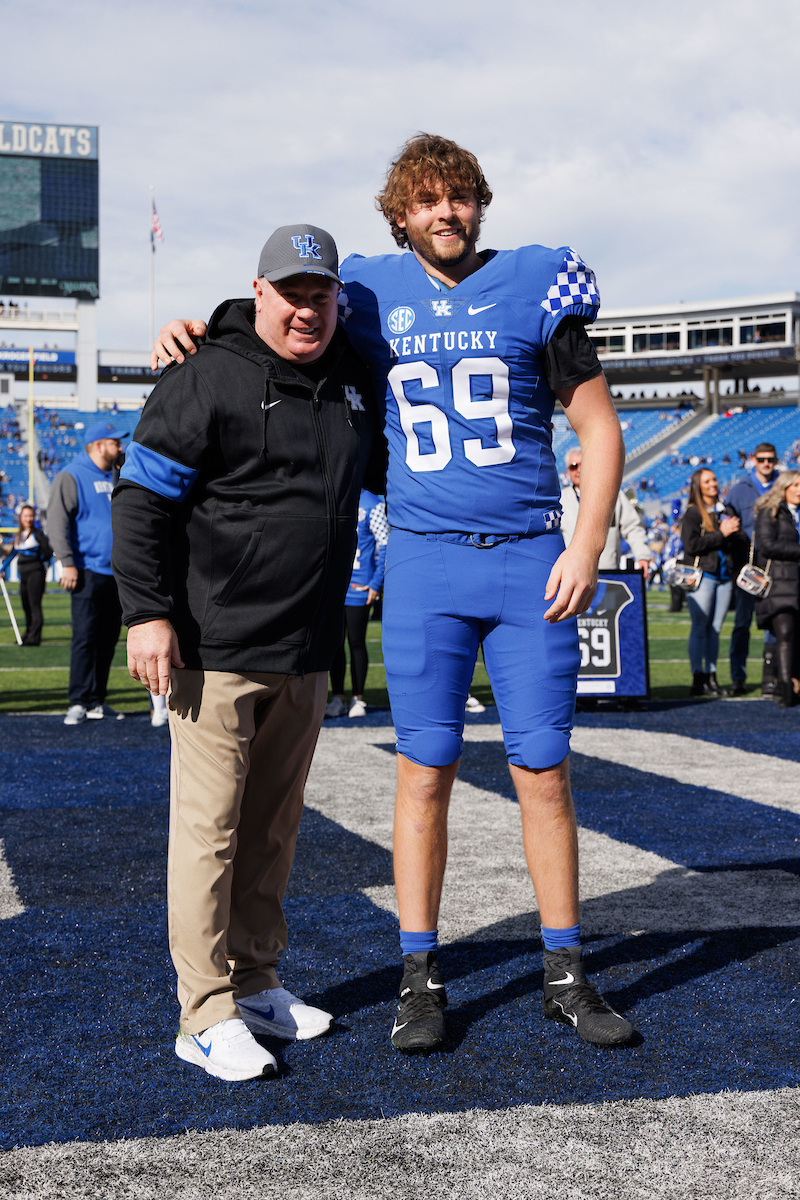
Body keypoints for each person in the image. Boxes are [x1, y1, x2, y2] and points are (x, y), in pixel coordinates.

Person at [153, 135, 634, 1054]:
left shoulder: (538, 282)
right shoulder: (369, 291)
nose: (444, 213)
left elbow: (598, 425)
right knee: (423, 775)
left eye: (459, 198)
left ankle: (567, 972)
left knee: (545, 772)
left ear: (479, 204)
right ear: (400, 214)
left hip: (529, 556)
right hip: (421, 562)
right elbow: (293, 308)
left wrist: (587, 539)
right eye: (426, 201)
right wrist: (201, 323)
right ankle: (422, 975)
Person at [114, 225, 384, 1083]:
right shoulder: (204, 372)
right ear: (258, 292)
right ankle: (202, 1012)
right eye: (292, 291)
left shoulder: (352, 382)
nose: (308, 307)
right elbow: (141, 501)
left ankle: (257, 981)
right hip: (216, 648)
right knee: (210, 835)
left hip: (306, 647)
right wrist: (147, 614)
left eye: (322, 292)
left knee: (273, 830)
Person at [47, 421, 129, 725]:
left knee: (108, 639)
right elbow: (57, 521)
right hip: (86, 569)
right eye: (114, 442)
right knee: (84, 637)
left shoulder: (117, 473)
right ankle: (78, 700)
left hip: (115, 572)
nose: (120, 447)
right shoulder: (71, 475)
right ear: (98, 445)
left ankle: (97, 699)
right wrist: (66, 561)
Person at [325, 488, 389, 719]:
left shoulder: (372, 503)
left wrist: (375, 583)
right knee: (334, 644)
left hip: (359, 586)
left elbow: (385, 544)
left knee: (356, 642)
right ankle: (337, 698)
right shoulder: (334, 494)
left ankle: (358, 698)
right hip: (334, 586)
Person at [680, 468, 744, 697]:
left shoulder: (724, 509)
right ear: (698, 485)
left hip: (724, 576)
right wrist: (722, 533)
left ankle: (712, 676)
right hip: (703, 575)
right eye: (707, 481)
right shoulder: (693, 513)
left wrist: (734, 532)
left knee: (715, 629)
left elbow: (735, 540)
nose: (713, 484)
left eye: (714, 479)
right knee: (700, 627)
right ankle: (698, 678)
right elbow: (691, 545)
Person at [726, 443, 779, 696]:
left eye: (770, 459)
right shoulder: (739, 490)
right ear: (753, 460)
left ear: (776, 460)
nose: (766, 463)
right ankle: (738, 676)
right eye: (761, 459)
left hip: (776, 564)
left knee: (775, 622)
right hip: (747, 567)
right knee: (742, 623)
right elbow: (727, 523)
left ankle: (773, 676)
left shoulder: (784, 485)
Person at [560, 448, 652, 577]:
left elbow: (632, 527)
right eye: (574, 466)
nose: (579, 470)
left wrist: (643, 556)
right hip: (572, 576)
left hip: (608, 575)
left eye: (583, 464)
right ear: (567, 471)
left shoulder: (613, 494)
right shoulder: (560, 500)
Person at [753, 471, 800, 708]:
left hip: (796, 583)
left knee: (795, 637)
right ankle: (784, 688)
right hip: (780, 583)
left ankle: (793, 683)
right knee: (785, 635)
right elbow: (767, 546)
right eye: (796, 485)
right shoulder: (770, 512)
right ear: (784, 487)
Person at [2, 505, 52, 645]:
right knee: (26, 606)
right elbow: (12, 555)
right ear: (21, 518)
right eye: (25, 516)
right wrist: (1, 570)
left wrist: (40, 562)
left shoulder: (38, 534)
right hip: (23, 575)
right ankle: (28, 633)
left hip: (36, 573)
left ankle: (34, 638)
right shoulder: (19, 535)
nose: (28, 519)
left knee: (34, 605)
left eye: (30, 516)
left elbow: (47, 552)